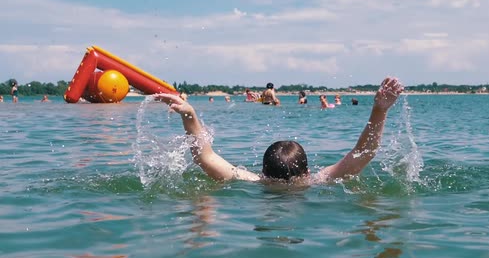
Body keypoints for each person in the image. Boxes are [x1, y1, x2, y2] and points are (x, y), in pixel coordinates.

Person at [155, 76, 403, 183]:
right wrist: (380, 110)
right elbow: (365, 152)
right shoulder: (320, 181)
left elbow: (204, 156)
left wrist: (190, 114)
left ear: (263, 171)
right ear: (306, 171)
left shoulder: (251, 181)